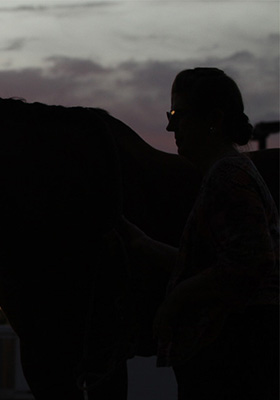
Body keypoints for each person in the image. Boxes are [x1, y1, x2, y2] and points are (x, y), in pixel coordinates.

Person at [119, 67, 279, 399]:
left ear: (214, 119)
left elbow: (252, 263)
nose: (170, 126)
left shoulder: (228, 177)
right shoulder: (226, 173)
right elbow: (219, 265)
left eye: (179, 114)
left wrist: (176, 301)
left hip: (235, 358)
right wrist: (143, 244)